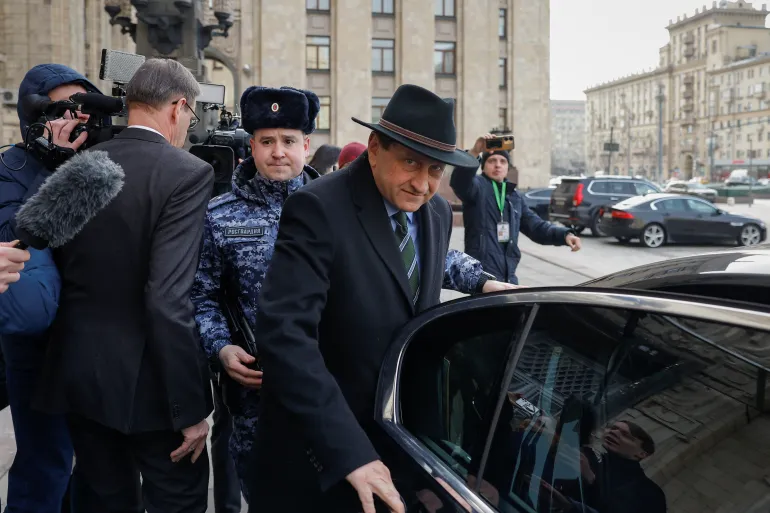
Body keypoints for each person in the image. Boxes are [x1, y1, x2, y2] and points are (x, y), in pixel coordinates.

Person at [247, 84, 520, 513]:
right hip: (318, 461)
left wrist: (431, 464)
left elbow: (421, 341)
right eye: (410, 162)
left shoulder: (436, 213)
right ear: (375, 148)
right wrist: (349, 452)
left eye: (436, 169)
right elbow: (284, 337)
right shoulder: (317, 207)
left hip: (398, 457)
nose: (423, 183)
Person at [37, 58, 214, 512]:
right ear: (178, 107)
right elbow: (167, 299)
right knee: (178, 501)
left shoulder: (83, 163)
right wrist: (191, 408)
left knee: (104, 501)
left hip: (79, 377)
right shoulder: (187, 172)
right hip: (154, 389)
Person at [192, 85, 322, 502]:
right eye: (267, 141)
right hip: (255, 399)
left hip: (329, 388)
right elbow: (201, 297)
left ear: (306, 145)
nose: (278, 152)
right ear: (251, 147)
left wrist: (479, 279)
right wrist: (221, 348)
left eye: (288, 141)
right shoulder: (219, 215)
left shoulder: (335, 210)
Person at [0, 63, 101, 513]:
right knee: (46, 462)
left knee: (97, 468)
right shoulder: (11, 165)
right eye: (66, 108)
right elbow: (13, 239)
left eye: (84, 106)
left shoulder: (102, 160)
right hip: (36, 339)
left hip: (93, 331)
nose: (78, 117)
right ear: (36, 115)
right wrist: (53, 167)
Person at [450, 134, 582, 285]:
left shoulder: (514, 196)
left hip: (509, 278)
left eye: (503, 161)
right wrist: (474, 152)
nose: (498, 165)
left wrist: (564, 235)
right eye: (492, 161)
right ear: (484, 166)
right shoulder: (477, 187)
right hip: (481, 278)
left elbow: (536, 227)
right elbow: (459, 181)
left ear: (508, 167)